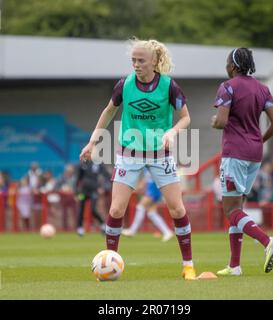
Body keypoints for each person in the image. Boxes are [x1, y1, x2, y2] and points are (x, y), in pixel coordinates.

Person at [80, 38, 196, 280]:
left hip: (160, 155)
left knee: (176, 208)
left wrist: (172, 132)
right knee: (116, 208)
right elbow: (108, 111)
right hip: (128, 155)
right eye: (133, 60)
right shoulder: (124, 84)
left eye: (141, 60)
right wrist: (93, 141)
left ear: (154, 61)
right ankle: (109, 262)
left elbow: (186, 118)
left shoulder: (169, 86)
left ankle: (188, 265)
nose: (136, 64)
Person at [211, 47, 273, 276]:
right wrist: (259, 140)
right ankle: (235, 266)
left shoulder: (228, 86)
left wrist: (214, 122)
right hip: (255, 154)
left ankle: (266, 241)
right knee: (238, 207)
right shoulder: (263, 89)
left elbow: (222, 122)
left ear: (232, 66)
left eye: (225, 63)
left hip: (235, 153)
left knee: (230, 209)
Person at [122, 172, 174, 242]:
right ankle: (167, 232)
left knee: (140, 206)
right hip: (153, 188)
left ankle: (132, 230)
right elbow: (146, 178)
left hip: (154, 188)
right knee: (151, 213)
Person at [75, 160, 109, 236]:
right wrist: (76, 192)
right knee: (81, 209)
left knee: (93, 209)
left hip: (94, 190)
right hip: (83, 191)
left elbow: (106, 176)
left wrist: (103, 187)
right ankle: (80, 228)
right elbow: (78, 178)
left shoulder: (99, 164)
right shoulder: (83, 164)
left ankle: (103, 225)